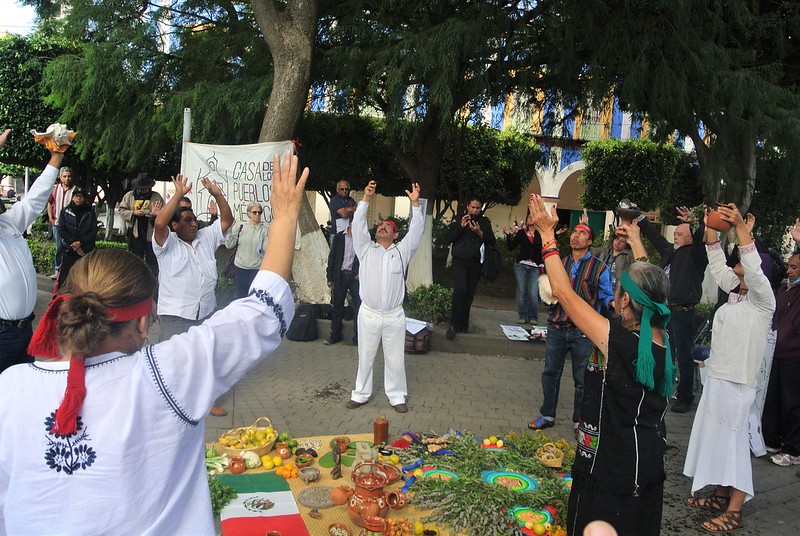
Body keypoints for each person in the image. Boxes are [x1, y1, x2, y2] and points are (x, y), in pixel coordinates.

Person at [0, 150, 306, 534]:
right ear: (144, 320)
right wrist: (286, 214)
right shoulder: (165, 376)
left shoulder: (9, 387)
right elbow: (263, 312)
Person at [528, 195, 675, 536]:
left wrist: (548, 236)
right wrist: (637, 242)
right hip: (646, 461)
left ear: (625, 300)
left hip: (612, 467)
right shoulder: (661, 337)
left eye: (620, 291)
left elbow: (564, 293)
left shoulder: (618, 343)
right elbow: (651, 287)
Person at [683, 206, 775, 534]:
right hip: (719, 379)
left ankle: (734, 511)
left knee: (733, 444)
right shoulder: (735, 291)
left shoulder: (763, 302)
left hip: (738, 385)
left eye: (747, 260)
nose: (741, 260)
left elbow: (752, 263)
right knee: (718, 439)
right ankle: (721, 495)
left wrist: (739, 226)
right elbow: (715, 260)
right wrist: (710, 225)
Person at [153, 174, 234, 417]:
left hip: (205, 313)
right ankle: (168, 406)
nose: (194, 224)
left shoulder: (205, 238)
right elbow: (159, 224)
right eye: (187, 220)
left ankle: (205, 402)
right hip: (175, 316)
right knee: (172, 362)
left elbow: (227, 221)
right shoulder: (166, 243)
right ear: (175, 225)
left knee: (204, 360)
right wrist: (178, 194)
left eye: (195, 220)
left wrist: (217, 195)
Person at [345, 180, 423, 414]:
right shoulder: (366, 249)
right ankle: (360, 394)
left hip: (394, 316)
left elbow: (416, 231)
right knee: (365, 357)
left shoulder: (402, 251)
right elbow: (358, 225)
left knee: (395, 360)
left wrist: (415, 204)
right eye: (380, 226)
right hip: (368, 314)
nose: (382, 227)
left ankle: (397, 396)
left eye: (388, 226)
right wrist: (366, 198)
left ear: (395, 234)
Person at [528, 221, 614, 433]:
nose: (575, 236)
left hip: (583, 332)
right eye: (574, 232)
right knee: (550, 373)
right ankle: (547, 415)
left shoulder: (599, 268)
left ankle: (580, 422)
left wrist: (613, 307)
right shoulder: (559, 263)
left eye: (581, 233)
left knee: (583, 379)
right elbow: (547, 289)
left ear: (590, 241)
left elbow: (606, 298)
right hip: (557, 326)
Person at [0, 129, 65, 373]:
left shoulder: (8, 223)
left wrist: (56, 157)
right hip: (2, 334)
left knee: (19, 390)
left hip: (24, 330)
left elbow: (35, 199)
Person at [634, 207, 708, 413]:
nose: (675, 236)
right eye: (675, 233)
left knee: (683, 356)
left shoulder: (695, 254)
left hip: (682, 312)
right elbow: (654, 236)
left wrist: (695, 223)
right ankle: (661, 388)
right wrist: (639, 217)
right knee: (662, 351)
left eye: (680, 234)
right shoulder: (670, 252)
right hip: (664, 311)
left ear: (690, 238)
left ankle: (685, 396)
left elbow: (700, 238)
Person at [763, 225, 800, 467]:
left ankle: (793, 449)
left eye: (794, 267)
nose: (789, 271)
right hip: (776, 351)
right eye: (789, 266)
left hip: (794, 354)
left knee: (792, 402)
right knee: (773, 398)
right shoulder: (783, 289)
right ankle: (772, 440)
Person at [445, 197, 496, 339]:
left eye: (477, 208)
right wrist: (460, 227)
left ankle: (463, 324)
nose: (475, 210)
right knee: (460, 290)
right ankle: (454, 324)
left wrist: (480, 233)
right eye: (472, 207)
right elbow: (448, 238)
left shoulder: (484, 222)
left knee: (469, 294)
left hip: (475, 262)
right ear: (467, 207)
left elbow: (492, 241)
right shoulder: (459, 218)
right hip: (460, 260)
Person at [118, 173, 164, 275]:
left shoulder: (156, 196)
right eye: (141, 188)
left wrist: (155, 214)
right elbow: (121, 210)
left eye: (146, 188)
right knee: (135, 258)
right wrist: (133, 213)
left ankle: (152, 278)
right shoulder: (129, 196)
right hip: (135, 231)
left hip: (151, 232)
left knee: (152, 260)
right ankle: (136, 277)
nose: (144, 190)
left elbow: (164, 212)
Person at [502, 215, 543, 325]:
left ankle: (533, 316)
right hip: (521, 265)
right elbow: (511, 247)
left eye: (533, 217)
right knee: (522, 291)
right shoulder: (521, 233)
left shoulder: (540, 234)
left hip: (535, 266)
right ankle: (523, 316)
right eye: (529, 217)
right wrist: (508, 235)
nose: (530, 219)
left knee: (533, 293)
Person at [325, 222, 361, 345]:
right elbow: (332, 257)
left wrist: (361, 272)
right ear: (350, 223)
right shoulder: (339, 237)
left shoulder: (362, 238)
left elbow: (365, 258)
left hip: (355, 277)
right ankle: (335, 335)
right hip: (340, 275)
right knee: (337, 306)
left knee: (358, 307)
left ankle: (358, 338)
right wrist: (330, 277)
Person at [56, 186, 98, 290]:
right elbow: (62, 230)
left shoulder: (90, 212)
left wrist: (81, 243)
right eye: (76, 196)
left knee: (84, 277)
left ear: (85, 199)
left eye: (81, 197)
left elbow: (93, 231)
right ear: (72, 197)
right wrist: (73, 243)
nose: (78, 199)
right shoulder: (65, 211)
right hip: (69, 249)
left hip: (85, 250)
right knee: (65, 276)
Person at [225, 201, 269, 299]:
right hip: (240, 268)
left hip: (256, 269)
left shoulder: (264, 229)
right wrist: (229, 230)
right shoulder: (241, 227)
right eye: (254, 212)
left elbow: (266, 249)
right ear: (248, 213)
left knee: (254, 297)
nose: (257, 214)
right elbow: (229, 245)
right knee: (241, 297)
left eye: (259, 212)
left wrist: (270, 235)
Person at [46, 166, 75, 280]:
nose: (67, 178)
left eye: (69, 176)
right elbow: (49, 203)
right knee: (59, 247)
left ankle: (68, 270)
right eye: (65, 176)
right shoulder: (55, 189)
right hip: (57, 223)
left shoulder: (75, 190)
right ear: (60, 177)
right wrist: (50, 218)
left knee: (69, 247)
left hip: (70, 224)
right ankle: (57, 269)